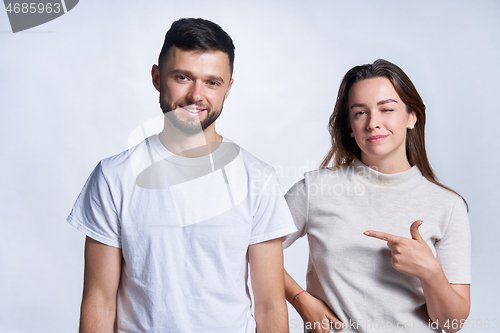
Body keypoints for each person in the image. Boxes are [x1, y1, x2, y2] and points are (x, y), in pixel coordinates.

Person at [67, 18, 297, 333]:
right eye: (183, 77)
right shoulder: (114, 176)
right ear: (157, 77)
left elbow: (270, 306)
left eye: (212, 82)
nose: (195, 95)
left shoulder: (258, 179)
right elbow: (99, 300)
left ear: (228, 88)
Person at [283, 59, 470, 333]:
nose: (373, 123)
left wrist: (431, 273)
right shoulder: (316, 189)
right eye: (360, 113)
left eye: (387, 109)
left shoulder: (448, 206)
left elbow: (451, 324)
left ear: (411, 116)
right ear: (349, 124)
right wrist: (301, 300)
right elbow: (254, 246)